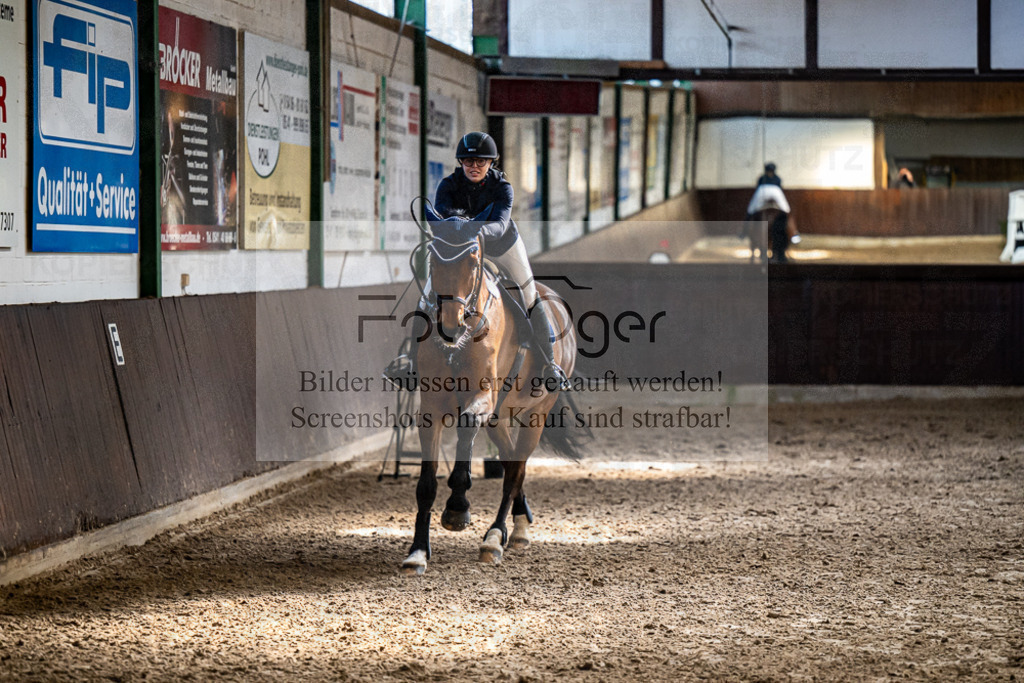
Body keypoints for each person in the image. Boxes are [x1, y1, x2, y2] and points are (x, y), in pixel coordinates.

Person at [384, 132, 571, 391]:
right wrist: (458, 234)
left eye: (481, 162)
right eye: (468, 161)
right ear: (461, 162)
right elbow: (443, 222)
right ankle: (412, 366)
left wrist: (479, 231)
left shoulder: (503, 188)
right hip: (463, 249)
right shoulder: (448, 186)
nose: (474, 167)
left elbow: (501, 223)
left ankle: (549, 364)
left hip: (501, 245)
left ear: (491, 163)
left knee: (529, 294)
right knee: (428, 295)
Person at [744, 162, 792, 262]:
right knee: (786, 210)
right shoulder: (777, 179)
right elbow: (780, 188)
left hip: (762, 192)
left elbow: (758, 187)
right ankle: (793, 231)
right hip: (776, 192)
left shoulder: (762, 178)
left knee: (751, 209)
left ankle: (744, 231)